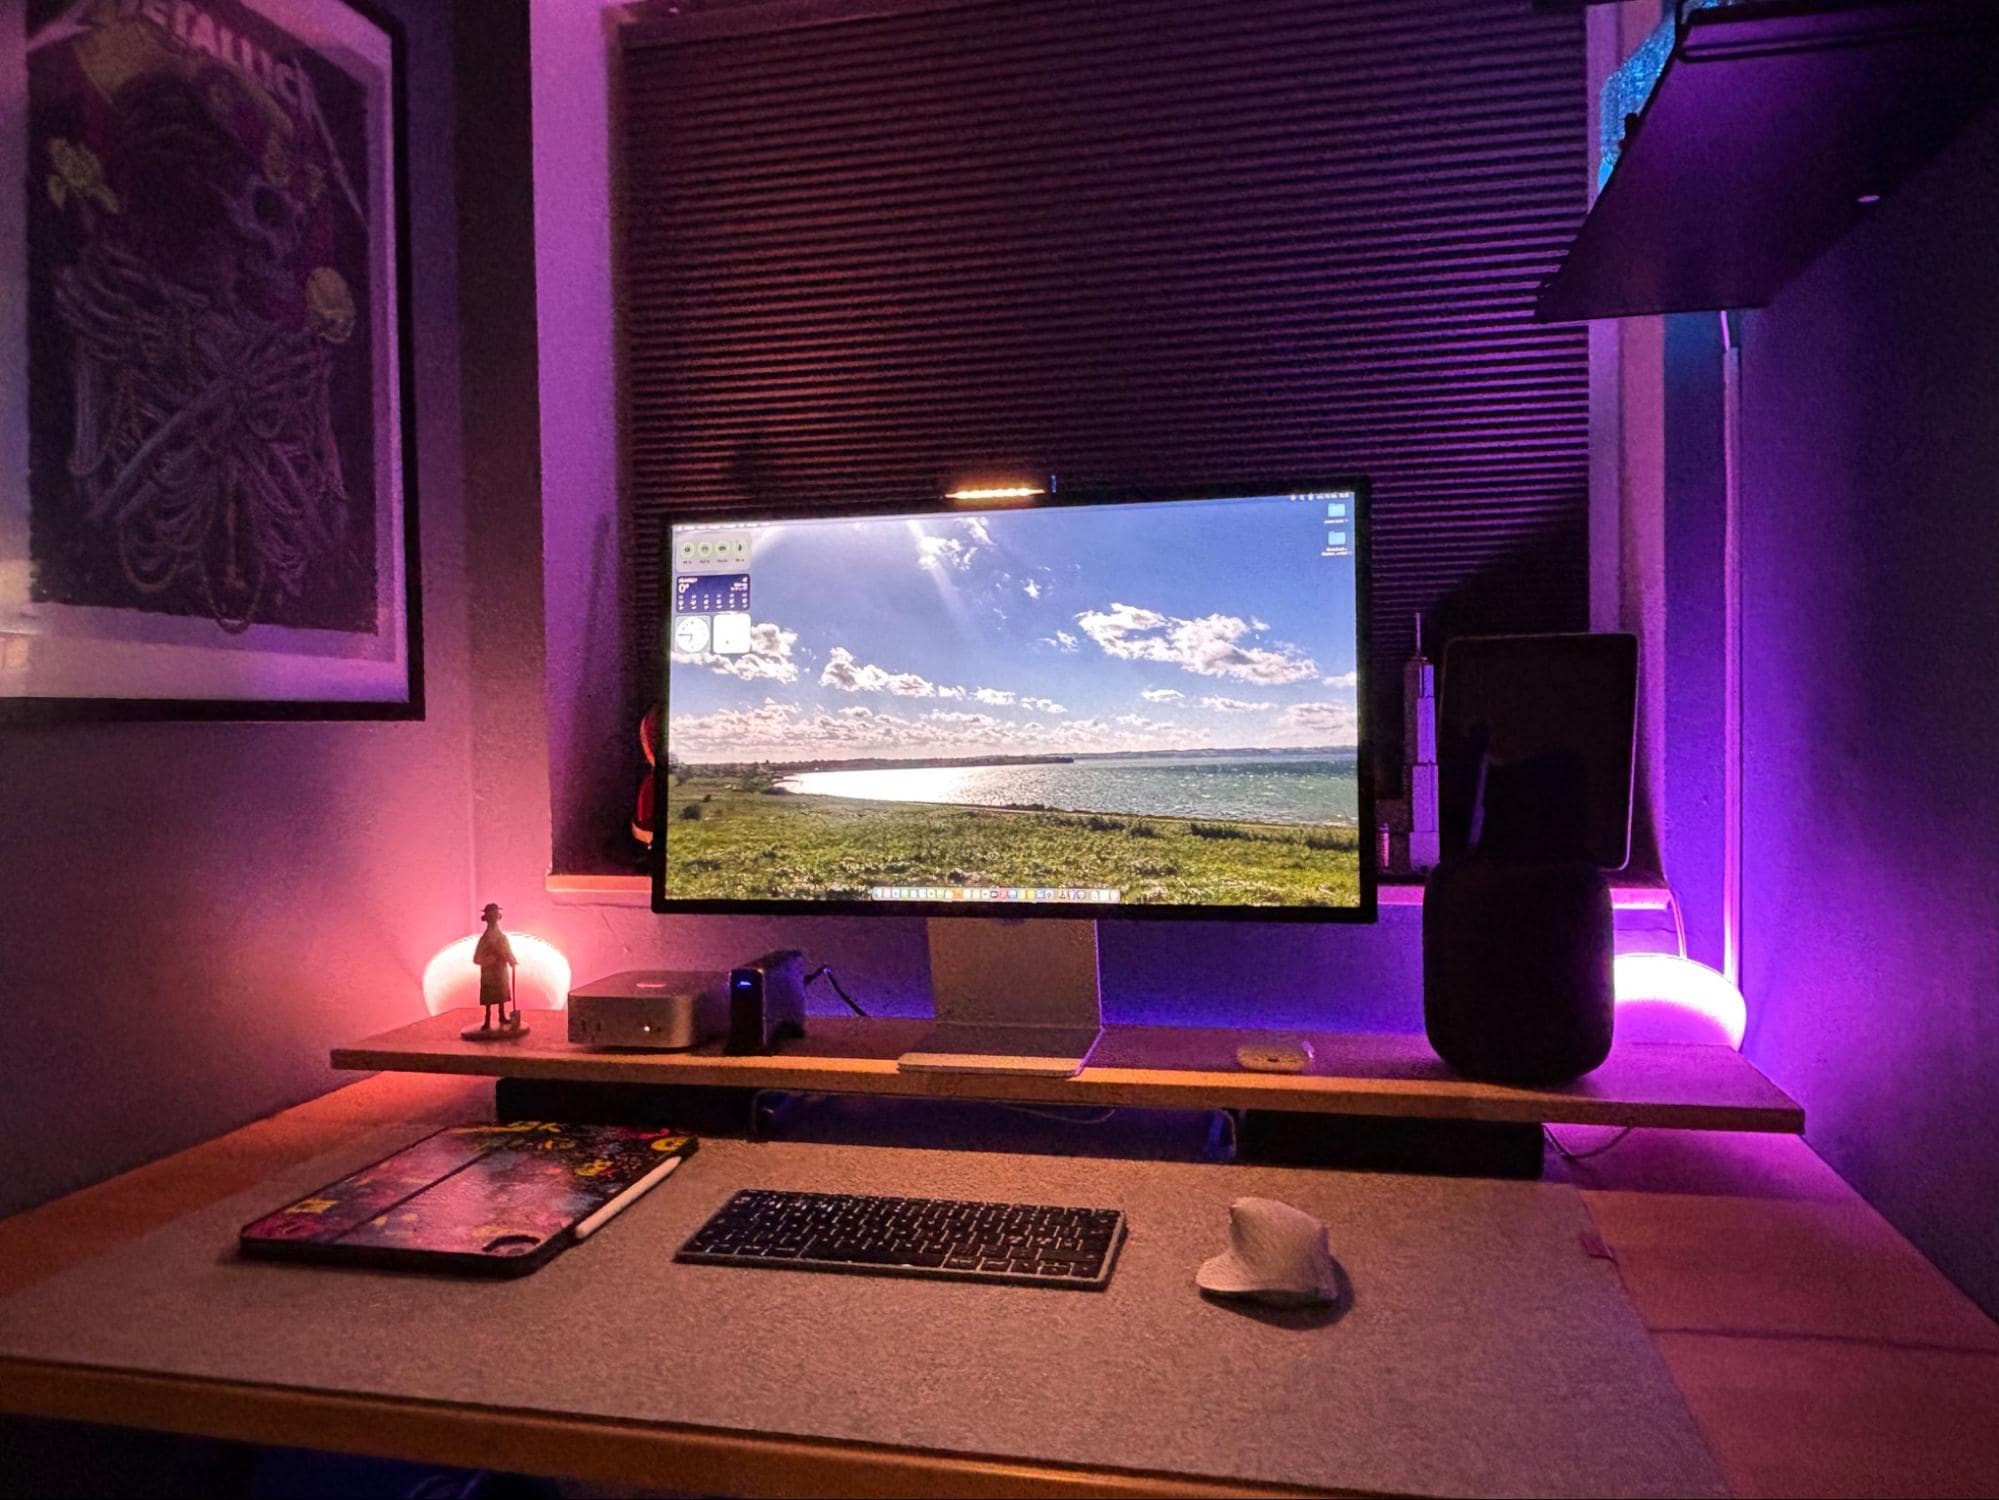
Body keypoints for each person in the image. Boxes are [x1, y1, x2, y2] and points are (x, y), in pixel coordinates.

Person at [471, 903, 518, 1031]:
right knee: (489, 994)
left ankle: (502, 1016)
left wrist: (512, 960)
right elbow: (476, 958)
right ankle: (487, 1019)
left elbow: (507, 951)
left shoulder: (502, 938)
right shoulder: (484, 940)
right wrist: (488, 960)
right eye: (490, 915)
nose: (493, 918)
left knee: (501, 992)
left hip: (500, 969)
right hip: (488, 972)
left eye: (495, 915)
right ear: (486, 918)